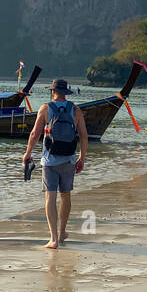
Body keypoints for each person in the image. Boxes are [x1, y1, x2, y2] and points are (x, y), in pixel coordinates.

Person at [23, 78, 89, 249]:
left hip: (49, 160)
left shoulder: (45, 109)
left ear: (52, 91)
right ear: (66, 93)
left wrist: (28, 153)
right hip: (68, 159)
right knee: (65, 195)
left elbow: (34, 134)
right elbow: (83, 136)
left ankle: (53, 238)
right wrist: (82, 157)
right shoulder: (75, 110)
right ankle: (62, 231)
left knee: (50, 196)